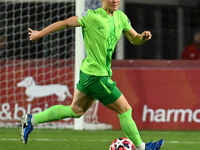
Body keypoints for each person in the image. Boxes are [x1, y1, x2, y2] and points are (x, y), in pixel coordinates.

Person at [21, 0, 164, 149]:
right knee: (125, 109)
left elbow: (134, 39)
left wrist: (142, 37)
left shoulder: (121, 17)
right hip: (96, 75)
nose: (115, 1)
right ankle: (142, 148)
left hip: (91, 74)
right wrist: (39, 33)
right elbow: (65, 23)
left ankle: (31, 120)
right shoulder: (91, 16)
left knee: (75, 111)